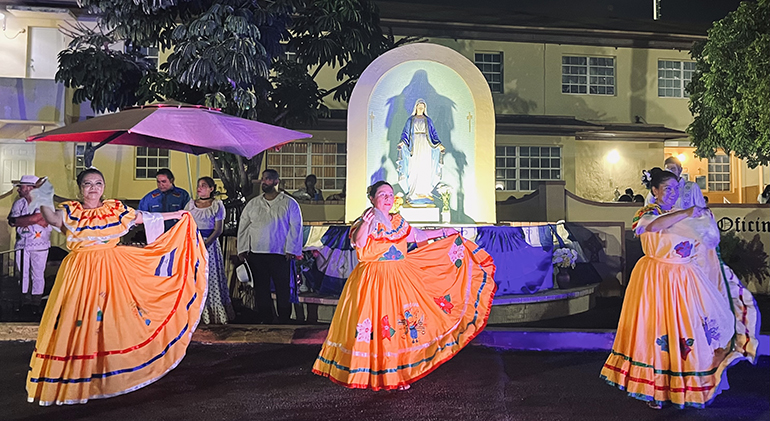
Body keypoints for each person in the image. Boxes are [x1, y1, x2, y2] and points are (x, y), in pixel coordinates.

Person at [25, 168, 207, 406]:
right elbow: (52, 219)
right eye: (88, 183)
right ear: (80, 187)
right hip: (80, 272)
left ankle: (106, 373)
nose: (93, 188)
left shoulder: (114, 209)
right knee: (80, 319)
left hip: (112, 270)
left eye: (98, 183)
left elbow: (142, 217)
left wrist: (175, 214)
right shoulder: (72, 210)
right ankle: (78, 376)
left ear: (104, 186)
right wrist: (43, 199)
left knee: (111, 320)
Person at [312, 181, 497, 390]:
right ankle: (373, 372)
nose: (388, 198)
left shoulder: (398, 221)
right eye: (382, 194)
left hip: (400, 278)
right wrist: (365, 223)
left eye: (390, 195)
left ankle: (398, 373)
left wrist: (443, 232)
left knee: (399, 324)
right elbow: (359, 243)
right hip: (372, 281)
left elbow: (417, 236)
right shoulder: (365, 220)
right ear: (372, 198)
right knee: (378, 326)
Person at [600, 167, 759, 409]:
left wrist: (703, 225)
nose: (673, 193)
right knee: (657, 331)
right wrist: (687, 213)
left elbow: (707, 242)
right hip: (656, 278)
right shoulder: (646, 213)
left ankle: (687, 384)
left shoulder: (683, 215)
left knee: (689, 328)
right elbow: (648, 227)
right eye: (667, 189)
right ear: (654, 190)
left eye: (676, 189)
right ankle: (656, 388)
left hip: (685, 279)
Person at [237, 169, 303, 324]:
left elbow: (296, 226)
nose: (263, 182)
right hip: (257, 253)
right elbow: (244, 227)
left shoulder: (289, 203)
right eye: (263, 179)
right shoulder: (253, 204)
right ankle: (265, 318)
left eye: (267, 179)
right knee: (261, 288)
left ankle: (284, 319)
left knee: (282, 288)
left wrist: (291, 249)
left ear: (275, 181)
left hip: (280, 253)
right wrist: (243, 248)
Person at [186, 177, 234, 324]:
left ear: (211, 188)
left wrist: (205, 244)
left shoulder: (217, 205)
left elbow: (218, 229)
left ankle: (213, 312)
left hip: (209, 245)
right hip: (193, 244)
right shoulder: (191, 205)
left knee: (210, 277)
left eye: (203, 186)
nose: (199, 188)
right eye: (198, 186)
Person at [7, 175, 53, 309]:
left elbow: (37, 218)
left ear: (29, 188)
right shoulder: (19, 203)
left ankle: (36, 302)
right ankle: (25, 300)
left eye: (21, 187)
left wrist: (20, 221)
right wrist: (26, 220)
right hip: (22, 245)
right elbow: (13, 221)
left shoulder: (43, 203)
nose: (18, 190)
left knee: (37, 273)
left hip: (39, 244)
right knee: (23, 273)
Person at [397, 99, 445, 205]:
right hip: (414, 146)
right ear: (416, 107)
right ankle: (413, 192)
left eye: (423, 106)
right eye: (419, 106)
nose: (421, 108)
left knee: (425, 168)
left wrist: (439, 144)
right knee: (414, 168)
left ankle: (424, 192)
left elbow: (433, 134)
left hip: (426, 146)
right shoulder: (411, 120)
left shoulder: (428, 120)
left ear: (425, 108)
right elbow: (405, 133)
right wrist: (402, 143)